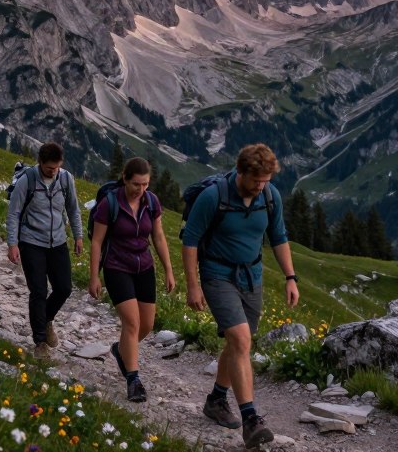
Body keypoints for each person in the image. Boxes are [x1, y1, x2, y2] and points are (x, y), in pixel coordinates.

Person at [181, 143, 298, 449]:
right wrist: (193, 286)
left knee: (238, 343)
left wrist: (290, 277)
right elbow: (190, 241)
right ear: (242, 172)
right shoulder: (213, 197)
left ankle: (217, 399)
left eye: (266, 181)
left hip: (252, 276)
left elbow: (279, 237)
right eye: (256, 180)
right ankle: (251, 419)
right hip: (217, 274)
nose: (261, 186)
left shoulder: (270, 197)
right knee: (242, 340)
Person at [88, 157, 175, 403]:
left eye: (145, 184)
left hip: (144, 266)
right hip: (117, 267)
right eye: (136, 184)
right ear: (125, 179)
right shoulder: (110, 203)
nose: (141, 189)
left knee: (147, 325)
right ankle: (133, 379)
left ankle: (121, 350)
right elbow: (96, 241)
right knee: (132, 323)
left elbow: (158, 236)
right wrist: (94, 276)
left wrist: (168, 269)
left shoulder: (151, 202)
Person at [6, 142, 84, 359]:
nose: (54, 171)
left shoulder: (66, 179)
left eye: (57, 167)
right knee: (38, 291)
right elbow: (13, 213)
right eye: (50, 168)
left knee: (64, 288)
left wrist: (78, 236)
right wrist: (12, 244)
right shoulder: (27, 181)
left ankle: (46, 318)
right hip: (31, 242)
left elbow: (73, 209)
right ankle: (40, 340)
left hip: (58, 241)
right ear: (40, 163)